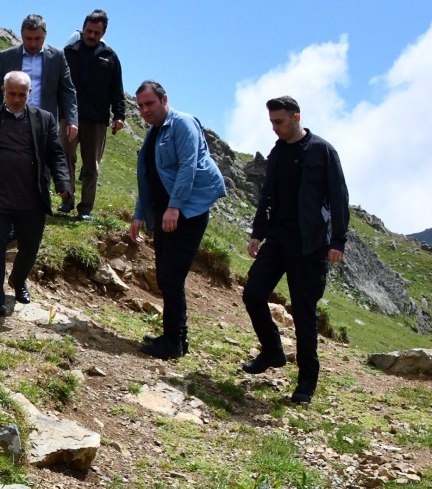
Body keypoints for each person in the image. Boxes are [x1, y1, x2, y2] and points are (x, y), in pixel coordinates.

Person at [243, 95, 349, 404]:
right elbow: (267, 195)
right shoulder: (277, 153)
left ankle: (306, 383)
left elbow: (339, 196)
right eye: (272, 122)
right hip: (278, 238)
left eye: (280, 121)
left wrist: (337, 241)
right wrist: (257, 233)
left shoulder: (322, 151)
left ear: (296, 117)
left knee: (304, 314)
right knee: (253, 294)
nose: (274, 128)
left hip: (312, 244)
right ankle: (274, 351)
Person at [130, 80, 226, 358]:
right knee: (166, 275)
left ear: (164, 99)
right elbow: (149, 177)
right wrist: (139, 214)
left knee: (171, 276)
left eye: (150, 103)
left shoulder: (183, 123)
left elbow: (189, 166)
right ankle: (175, 338)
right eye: (141, 106)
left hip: (187, 212)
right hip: (163, 212)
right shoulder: (153, 133)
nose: (145, 110)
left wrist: (175, 207)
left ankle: (173, 342)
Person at [0, 71, 72, 319]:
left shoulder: (44, 119)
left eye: (21, 94)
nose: (16, 99)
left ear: (30, 93)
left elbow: (56, 155)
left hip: (31, 199)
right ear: (4, 91)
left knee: (29, 248)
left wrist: (63, 183)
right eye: (12, 93)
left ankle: (18, 279)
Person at [0, 16, 75, 203]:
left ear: (45, 36)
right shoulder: (7, 56)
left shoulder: (57, 56)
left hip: (43, 121)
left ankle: (38, 208)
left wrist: (72, 120)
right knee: (11, 163)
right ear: (21, 35)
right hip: (12, 117)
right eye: (28, 38)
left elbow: (67, 90)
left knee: (42, 165)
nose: (32, 43)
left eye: (37, 39)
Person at [62, 9, 126, 218]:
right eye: (88, 31)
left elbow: (117, 89)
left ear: (103, 33)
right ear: (83, 29)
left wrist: (119, 115)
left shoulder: (110, 57)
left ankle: (86, 208)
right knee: (66, 157)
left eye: (96, 33)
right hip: (69, 115)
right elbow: (58, 83)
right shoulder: (69, 52)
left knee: (91, 165)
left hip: (97, 118)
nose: (91, 36)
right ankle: (67, 200)